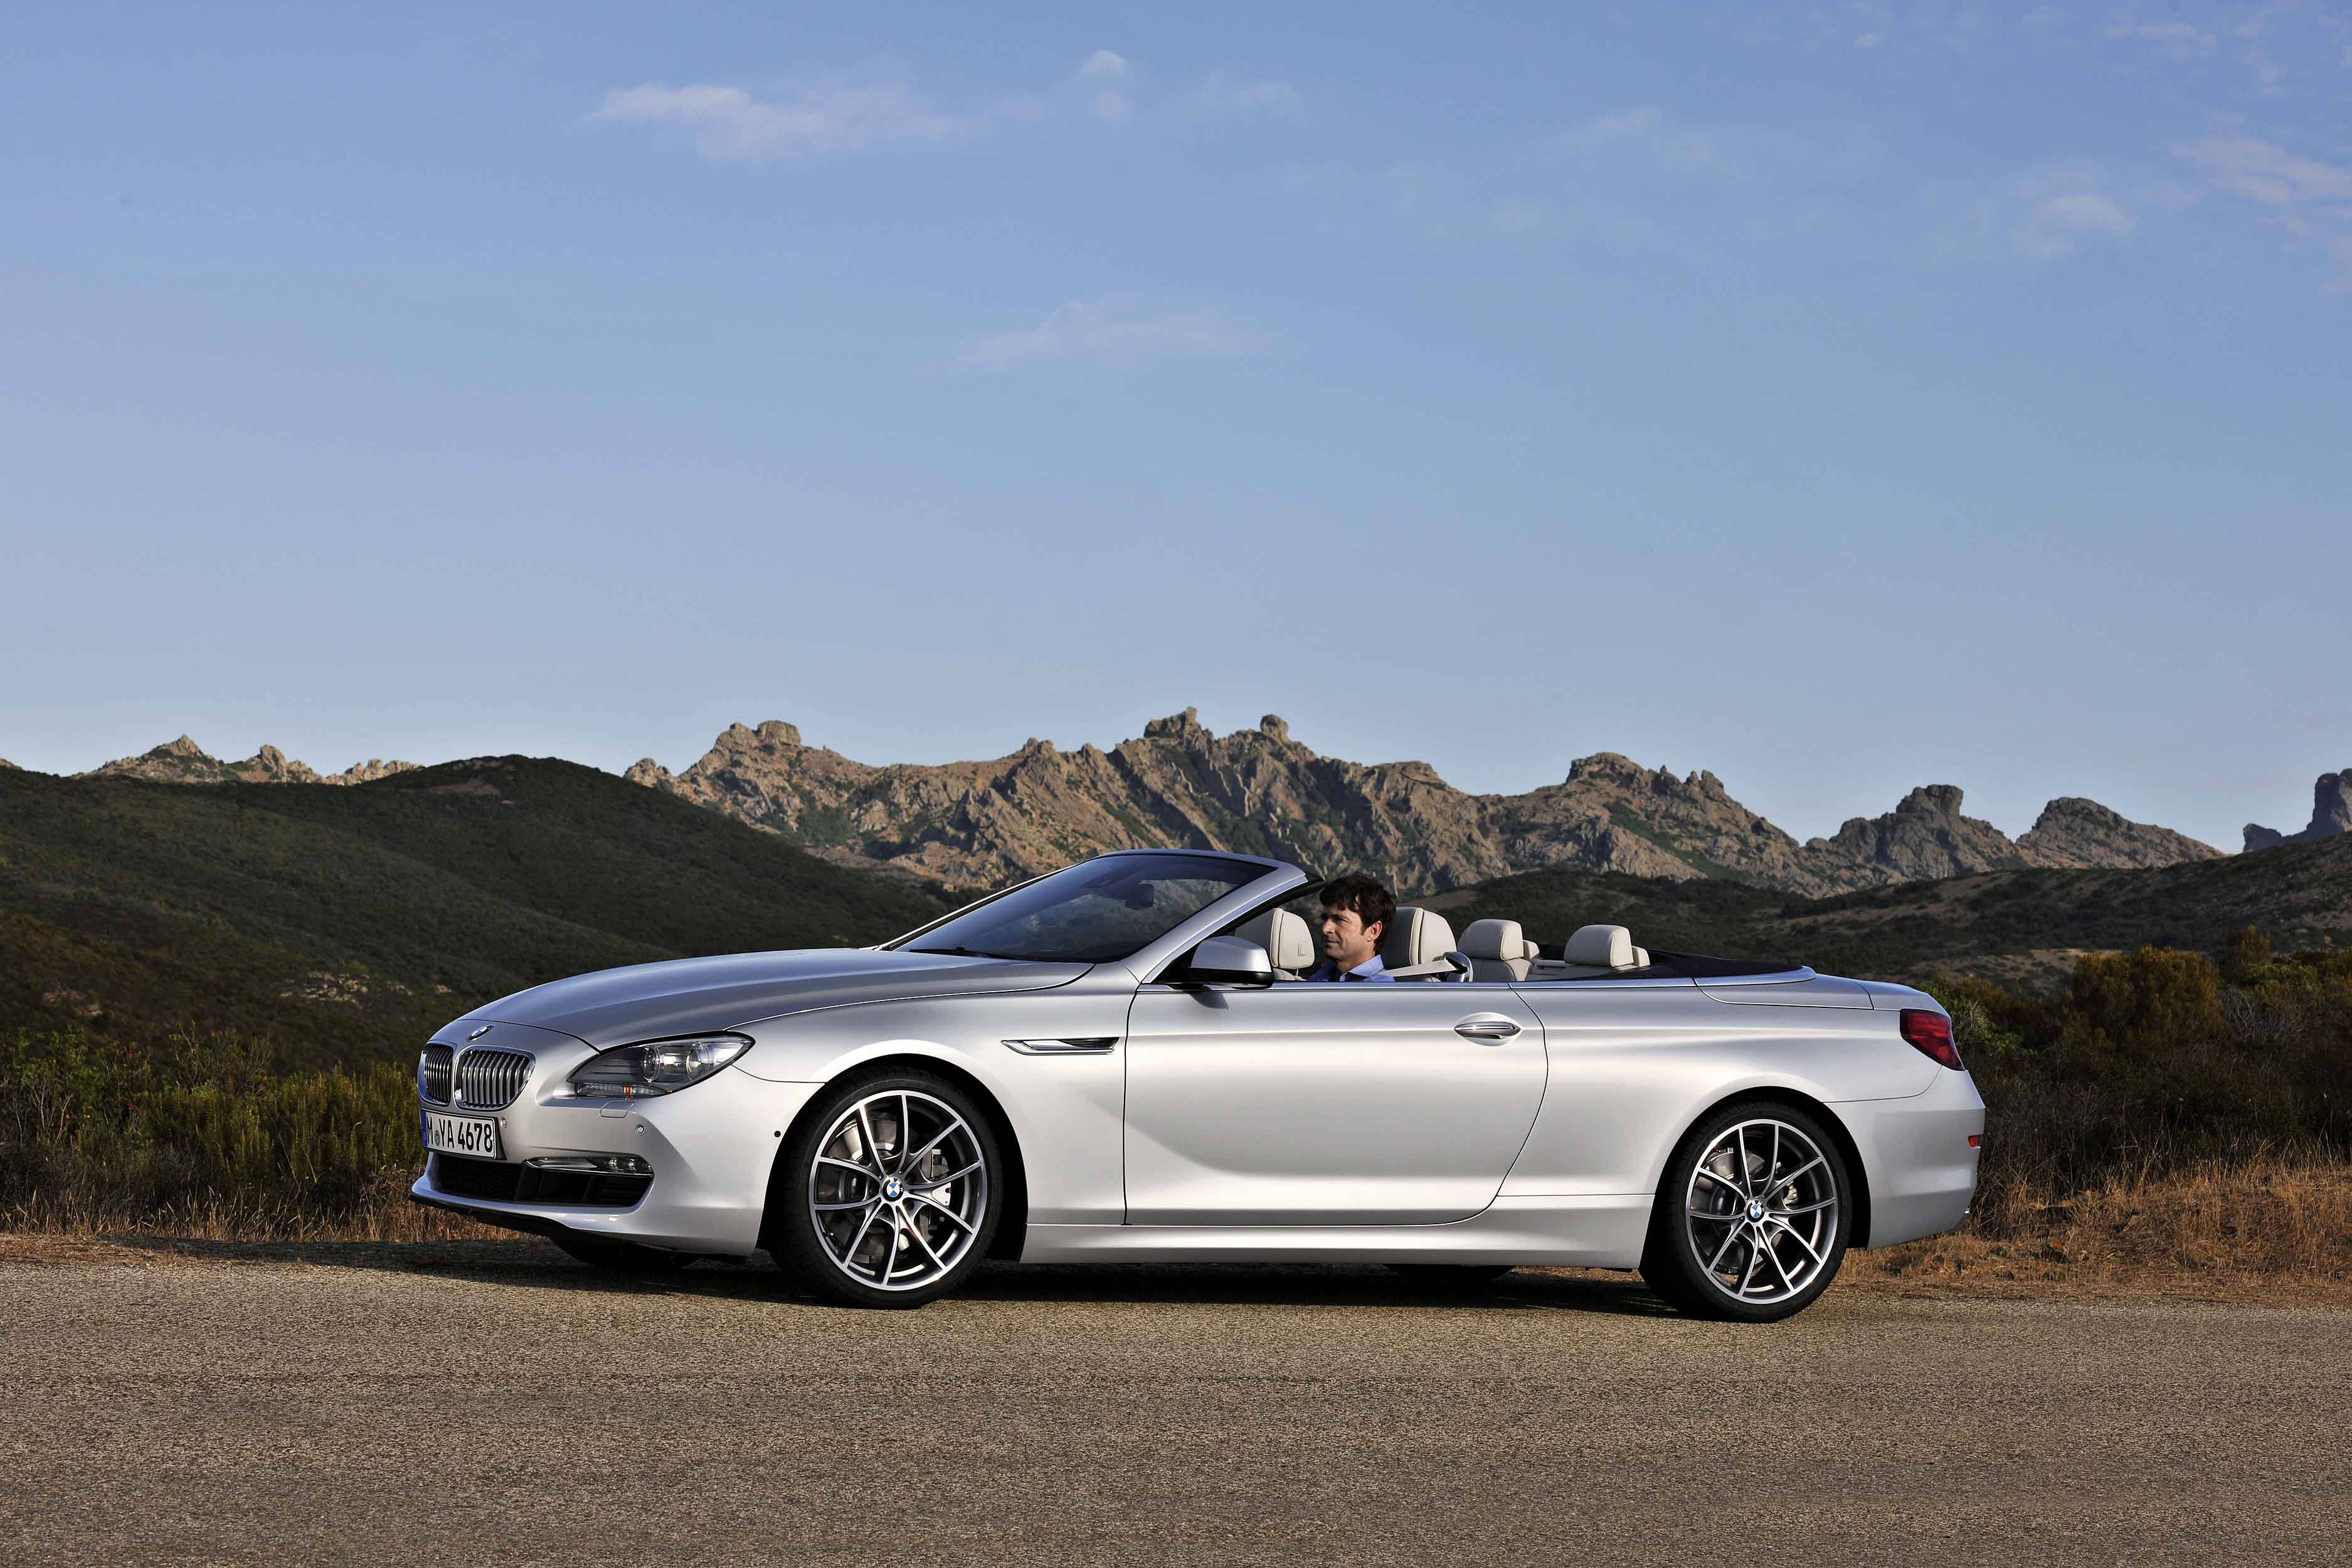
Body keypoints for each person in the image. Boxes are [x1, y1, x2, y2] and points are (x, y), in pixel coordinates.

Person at [1302, 871, 1397, 982]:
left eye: (1339, 919)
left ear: (1373, 931)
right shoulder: (1324, 974)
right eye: (1325, 918)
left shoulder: (1380, 989)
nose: (1325, 929)